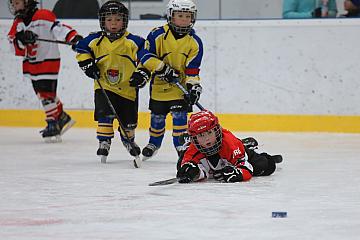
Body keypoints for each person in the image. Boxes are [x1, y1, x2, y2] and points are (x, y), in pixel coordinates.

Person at [74, 1, 148, 163]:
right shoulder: (95, 40)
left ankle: (128, 140)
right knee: (105, 115)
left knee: (128, 122)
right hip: (104, 86)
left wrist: (141, 74)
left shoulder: (135, 41)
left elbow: (146, 58)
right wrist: (87, 64)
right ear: (102, 21)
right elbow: (81, 49)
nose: (113, 23)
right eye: (109, 20)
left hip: (128, 90)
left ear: (125, 21)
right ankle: (104, 141)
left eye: (117, 19)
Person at [130, 0, 203, 160]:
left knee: (180, 119)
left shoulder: (194, 42)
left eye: (187, 16)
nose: (184, 19)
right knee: (157, 118)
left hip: (179, 90)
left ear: (193, 18)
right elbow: (145, 55)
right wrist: (161, 68)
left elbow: (192, 70)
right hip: (158, 88)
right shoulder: (157, 35)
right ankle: (154, 143)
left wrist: (194, 88)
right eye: (179, 15)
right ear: (171, 16)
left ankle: (181, 147)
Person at [7, 0, 82, 142]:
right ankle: (62, 117)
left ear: (27, 2)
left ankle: (53, 123)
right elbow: (12, 44)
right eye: (13, 3)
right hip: (31, 64)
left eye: (17, 3)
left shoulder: (43, 15)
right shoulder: (18, 23)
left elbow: (59, 28)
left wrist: (73, 37)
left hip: (48, 60)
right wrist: (21, 40)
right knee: (43, 94)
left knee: (45, 93)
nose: (14, 6)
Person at [176, 110, 282, 183]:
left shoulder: (231, 145)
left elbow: (247, 170)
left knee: (265, 166)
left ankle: (245, 146)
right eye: (201, 135)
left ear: (217, 131)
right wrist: (194, 173)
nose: (207, 139)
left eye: (209, 133)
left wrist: (238, 173)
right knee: (182, 168)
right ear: (194, 139)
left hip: (235, 149)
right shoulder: (192, 150)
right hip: (218, 153)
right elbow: (197, 170)